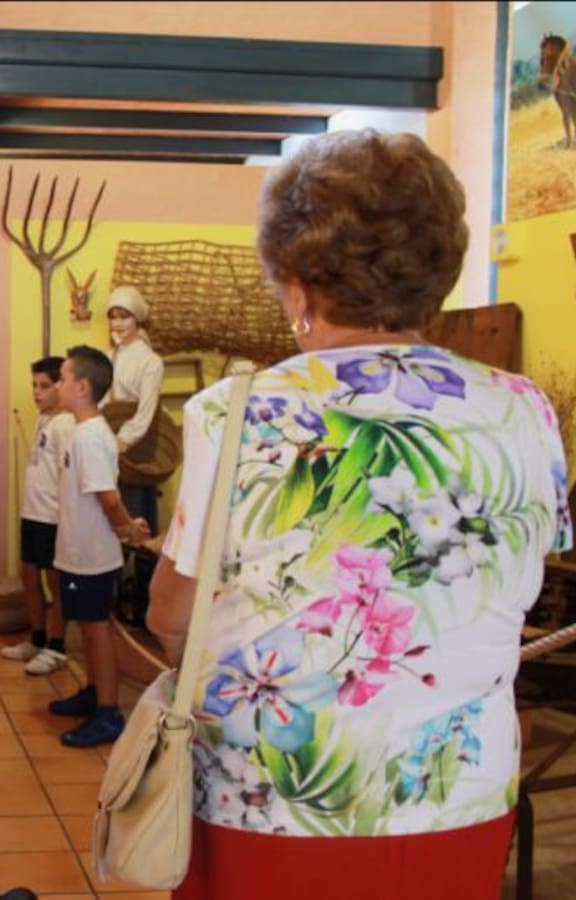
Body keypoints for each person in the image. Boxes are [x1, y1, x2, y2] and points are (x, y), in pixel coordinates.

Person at [146, 129, 572, 900]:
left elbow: (172, 614)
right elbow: (519, 580)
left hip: (273, 798)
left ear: (300, 284)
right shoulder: (523, 409)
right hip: (458, 793)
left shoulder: (235, 415)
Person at [46, 346, 150, 747]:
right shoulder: (81, 431)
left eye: (64, 377)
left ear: (83, 387)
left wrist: (126, 529)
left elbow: (108, 497)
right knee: (88, 631)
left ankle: (108, 712)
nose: (59, 385)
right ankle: (94, 692)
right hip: (77, 552)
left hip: (92, 556)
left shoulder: (92, 437)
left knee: (98, 631)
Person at [2, 356, 74, 675]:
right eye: (34, 385)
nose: (36, 392)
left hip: (53, 516)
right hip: (33, 512)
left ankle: (57, 646)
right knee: (28, 575)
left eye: (45, 386)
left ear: (63, 386)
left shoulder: (66, 425)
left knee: (54, 582)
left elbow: (67, 474)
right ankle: (37, 637)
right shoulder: (42, 419)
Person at [102, 284, 164, 534]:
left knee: (135, 511)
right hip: (108, 438)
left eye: (124, 316)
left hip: (135, 448)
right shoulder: (108, 357)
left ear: (137, 320)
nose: (117, 323)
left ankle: (141, 572)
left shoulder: (151, 362)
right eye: (113, 317)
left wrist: (124, 439)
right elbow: (102, 398)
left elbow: (146, 410)